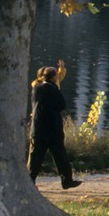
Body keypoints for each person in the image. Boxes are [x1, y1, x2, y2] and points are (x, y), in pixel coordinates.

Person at [28, 60, 81, 190]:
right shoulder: (53, 90)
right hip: (52, 129)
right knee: (60, 156)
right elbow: (61, 105)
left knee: (35, 158)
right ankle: (67, 180)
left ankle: (29, 181)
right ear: (52, 78)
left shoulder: (36, 88)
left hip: (37, 128)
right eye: (56, 76)